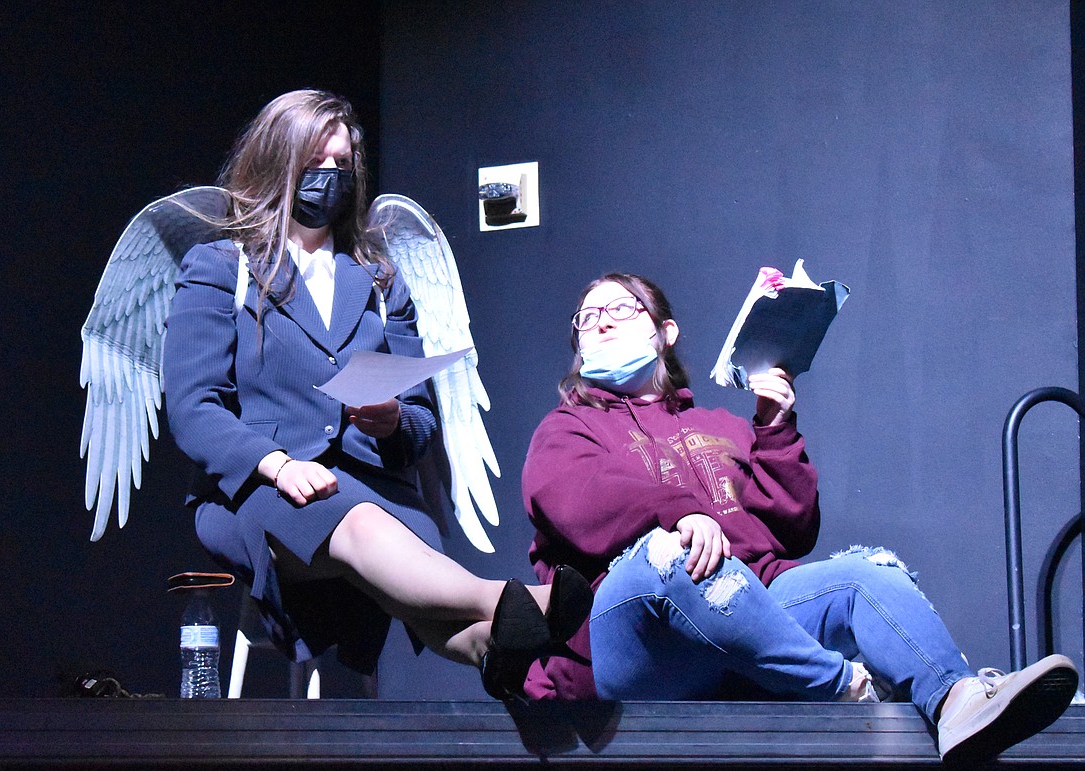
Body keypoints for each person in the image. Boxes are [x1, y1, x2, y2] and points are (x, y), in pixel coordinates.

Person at [521, 271, 1078, 761]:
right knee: (669, 556)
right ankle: (846, 687)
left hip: (742, 616)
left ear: (665, 332)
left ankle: (958, 701)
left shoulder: (722, 426)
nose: (600, 322)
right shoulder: (566, 428)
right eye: (587, 317)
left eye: (620, 308)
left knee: (867, 573)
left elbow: (791, 530)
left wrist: (774, 428)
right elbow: (573, 498)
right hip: (640, 640)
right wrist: (681, 514)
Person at [162, 89, 590, 699]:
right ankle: (517, 600)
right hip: (256, 490)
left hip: (374, 481)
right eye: (315, 164)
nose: (329, 179)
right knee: (362, 525)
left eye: (341, 166)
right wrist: (277, 465)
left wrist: (392, 420)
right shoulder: (219, 267)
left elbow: (420, 419)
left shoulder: (382, 279)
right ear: (277, 163)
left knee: (430, 596)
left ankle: (497, 645)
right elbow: (193, 407)